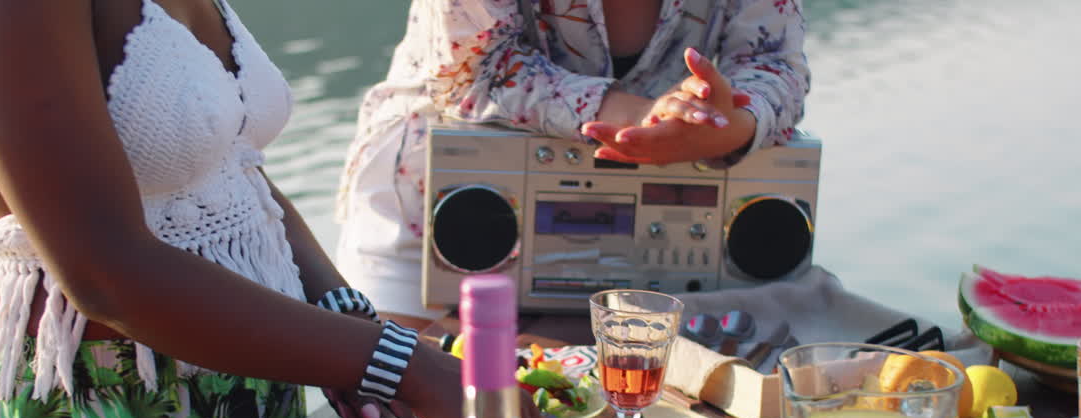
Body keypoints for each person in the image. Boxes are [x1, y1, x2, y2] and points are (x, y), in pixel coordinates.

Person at [0, 0, 543, 418]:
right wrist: (406, 365)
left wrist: (349, 326)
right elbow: (105, 275)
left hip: (251, 378)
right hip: (108, 415)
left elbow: (232, 172)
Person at [335, 0, 811, 319]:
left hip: (664, 223)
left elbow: (774, 63)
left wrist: (727, 125)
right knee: (408, 412)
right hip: (447, 212)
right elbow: (475, 68)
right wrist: (638, 116)